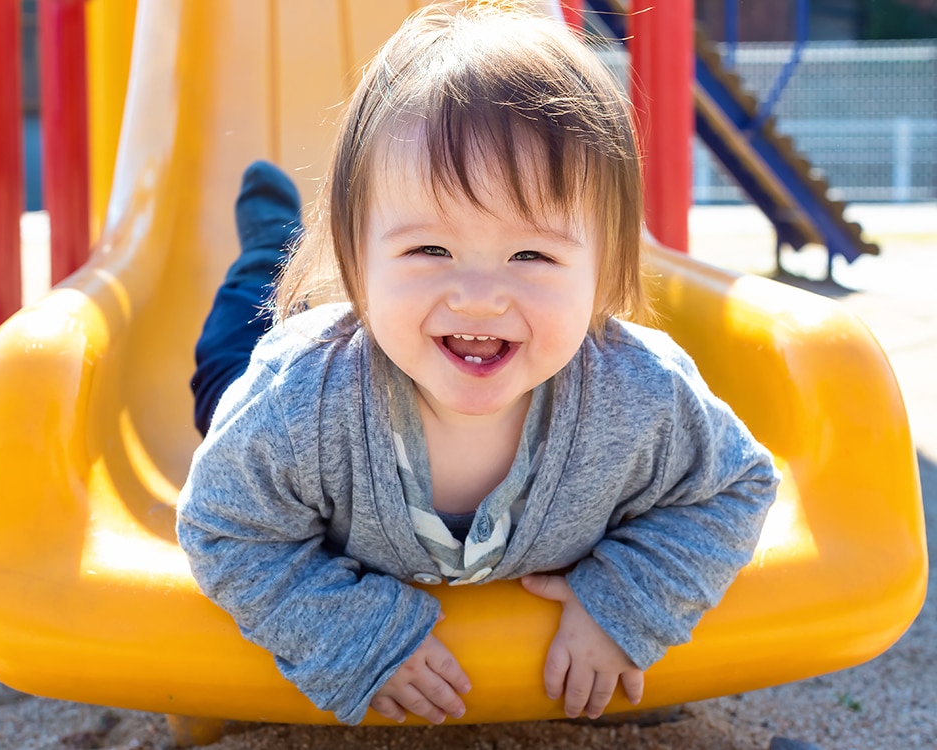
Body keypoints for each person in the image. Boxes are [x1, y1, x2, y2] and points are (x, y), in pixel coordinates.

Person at [177, 0, 779, 728]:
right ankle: (273, 232)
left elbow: (734, 489)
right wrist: (351, 634)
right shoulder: (297, 401)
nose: (479, 299)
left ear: (608, 268)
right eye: (430, 249)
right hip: (285, 356)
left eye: (532, 255)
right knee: (247, 316)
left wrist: (625, 601)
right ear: (356, 259)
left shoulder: (639, 395)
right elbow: (221, 528)